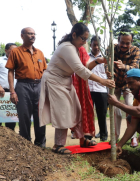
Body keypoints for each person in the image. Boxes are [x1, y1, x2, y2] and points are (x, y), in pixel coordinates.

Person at [38, 23, 115, 154]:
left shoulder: (75, 48)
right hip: (54, 81)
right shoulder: (67, 47)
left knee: (77, 109)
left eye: (86, 40)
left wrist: (99, 61)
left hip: (65, 81)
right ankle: (58, 145)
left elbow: (85, 67)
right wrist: (103, 81)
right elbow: (80, 70)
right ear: (74, 35)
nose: (84, 42)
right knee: (63, 112)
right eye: (82, 39)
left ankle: (82, 138)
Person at [5, 27, 46, 147]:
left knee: (40, 116)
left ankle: (40, 144)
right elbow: (10, 72)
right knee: (24, 116)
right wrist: (12, 92)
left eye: (34, 34)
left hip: (39, 86)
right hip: (23, 86)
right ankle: (26, 144)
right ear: (22, 36)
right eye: (29, 34)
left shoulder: (40, 52)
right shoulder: (16, 52)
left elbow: (45, 72)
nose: (32, 36)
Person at [107, 28, 140, 147]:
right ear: (118, 40)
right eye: (122, 42)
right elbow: (107, 64)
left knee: (130, 109)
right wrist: (108, 71)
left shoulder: (136, 50)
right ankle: (115, 137)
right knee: (115, 111)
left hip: (128, 85)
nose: (125, 45)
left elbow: (135, 68)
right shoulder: (111, 49)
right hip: (114, 83)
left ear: (131, 42)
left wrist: (124, 66)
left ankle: (133, 138)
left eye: (128, 43)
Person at [0, 43, 17, 131]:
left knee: (11, 118)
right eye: (12, 51)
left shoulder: (18, 61)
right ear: (6, 50)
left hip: (14, 92)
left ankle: (10, 139)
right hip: (0, 92)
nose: (14, 52)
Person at [88, 36, 108, 141]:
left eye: (98, 45)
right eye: (94, 45)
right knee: (88, 114)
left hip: (101, 90)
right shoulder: (86, 57)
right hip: (88, 90)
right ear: (90, 44)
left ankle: (104, 136)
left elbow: (109, 73)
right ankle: (88, 136)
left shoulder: (106, 58)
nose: (96, 47)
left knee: (102, 114)